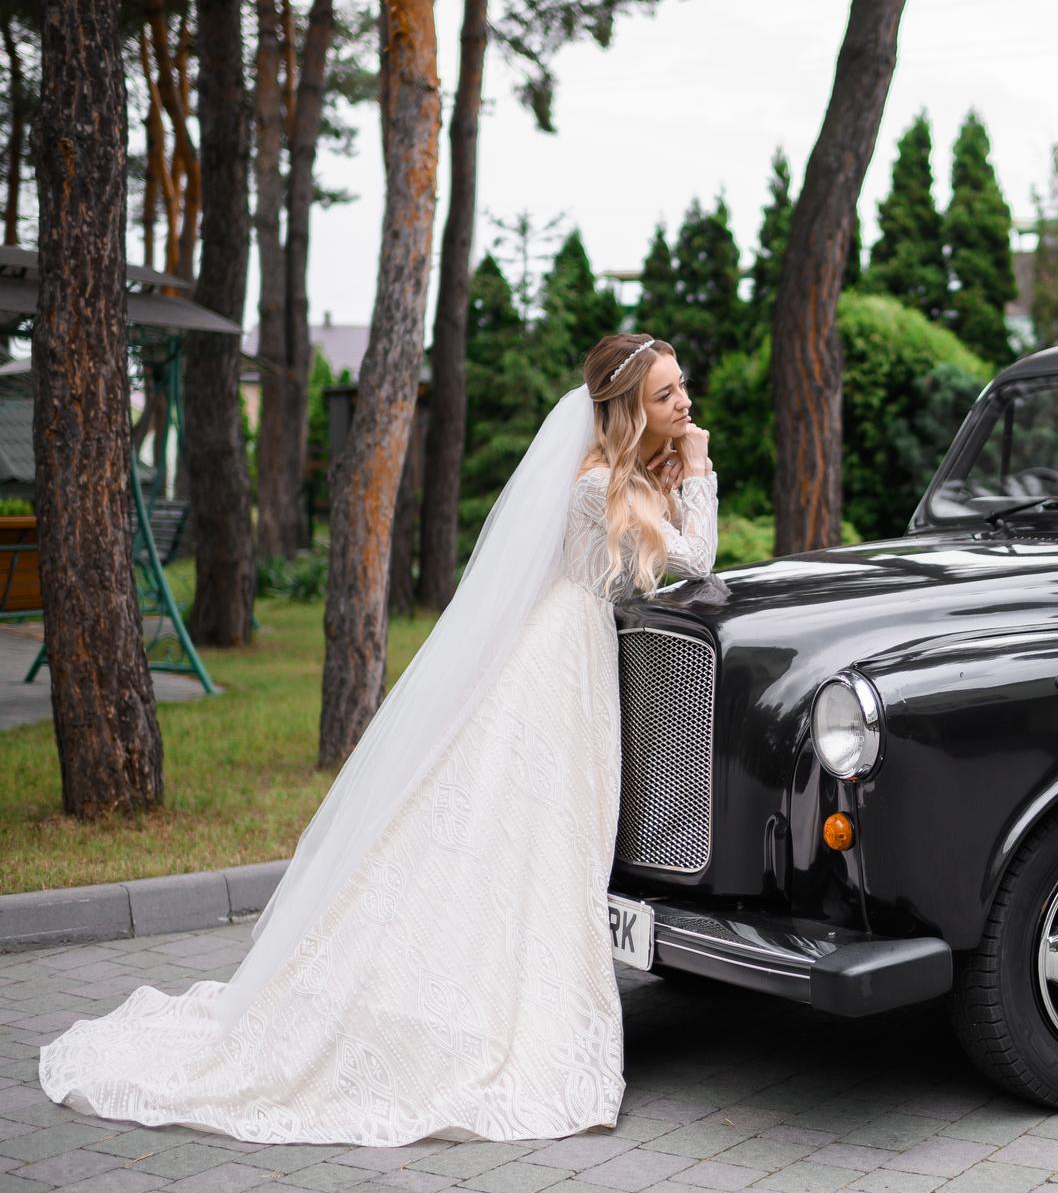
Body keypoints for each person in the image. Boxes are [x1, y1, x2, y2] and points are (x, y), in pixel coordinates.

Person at [38, 333, 718, 1146]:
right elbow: (700, 561)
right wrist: (701, 465)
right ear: (626, 408)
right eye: (668, 396)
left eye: (683, 392)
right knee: (524, 831)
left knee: (538, 835)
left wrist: (672, 477)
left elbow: (668, 556)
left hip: (579, 665)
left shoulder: (627, 481)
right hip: (557, 666)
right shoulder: (595, 486)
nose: (684, 406)